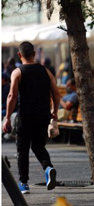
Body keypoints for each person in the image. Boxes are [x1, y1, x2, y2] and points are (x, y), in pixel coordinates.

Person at [2, 41, 60, 194]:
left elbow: (12, 96)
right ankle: (48, 168)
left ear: (19, 55)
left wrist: (7, 118)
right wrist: (55, 111)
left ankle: (23, 183)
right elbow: (56, 93)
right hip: (43, 115)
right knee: (39, 146)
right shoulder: (46, 71)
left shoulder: (17, 72)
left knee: (23, 149)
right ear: (34, 54)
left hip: (26, 115)